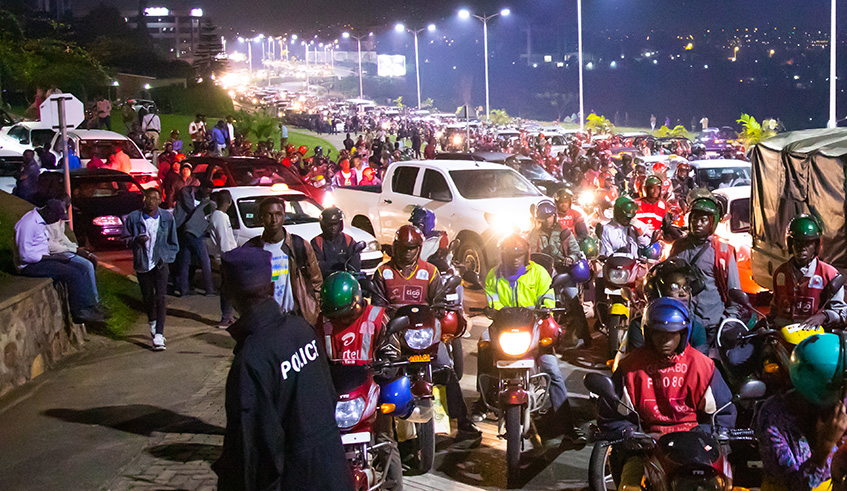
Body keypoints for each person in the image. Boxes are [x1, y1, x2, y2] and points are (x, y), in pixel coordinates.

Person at [213, 247, 353, 491]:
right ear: (271, 287)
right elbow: (329, 396)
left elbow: (251, 450)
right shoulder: (302, 331)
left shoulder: (251, 359)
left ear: (228, 291)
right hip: (334, 473)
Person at [600, 298, 736, 488]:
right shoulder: (630, 368)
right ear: (647, 333)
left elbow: (723, 411)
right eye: (658, 333)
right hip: (646, 446)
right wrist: (630, 433)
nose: (664, 340)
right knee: (629, 487)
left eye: (671, 334)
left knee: (723, 484)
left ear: (683, 334)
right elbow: (611, 414)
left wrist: (710, 432)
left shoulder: (702, 366)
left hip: (695, 447)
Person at [472, 234, 586, 445]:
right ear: (503, 255)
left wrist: (547, 307)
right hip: (504, 328)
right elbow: (492, 300)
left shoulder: (539, 273)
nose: (515, 259)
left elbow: (548, 296)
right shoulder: (494, 275)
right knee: (483, 344)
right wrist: (491, 311)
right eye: (510, 255)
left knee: (552, 370)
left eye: (519, 255)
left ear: (526, 255)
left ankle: (568, 426)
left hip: (534, 327)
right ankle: (483, 398)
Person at [372, 225, 481, 441]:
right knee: (381, 374)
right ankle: (381, 434)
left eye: (412, 248)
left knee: (446, 369)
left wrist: (440, 306)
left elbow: (438, 299)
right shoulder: (382, 272)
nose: (407, 252)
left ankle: (463, 422)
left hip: (423, 335)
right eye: (403, 248)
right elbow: (376, 306)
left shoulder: (430, 272)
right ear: (395, 247)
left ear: (419, 248)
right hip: (394, 336)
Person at [754, 332, 847, 491]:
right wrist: (825, 446)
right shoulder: (773, 418)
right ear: (824, 388)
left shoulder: (839, 404)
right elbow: (795, 487)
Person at [669, 191, 741, 349]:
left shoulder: (723, 251)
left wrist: (728, 322)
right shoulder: (679, 246)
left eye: (703, 220)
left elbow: (734, 291)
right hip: (681, 322)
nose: (697, 223)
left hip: (711, 324)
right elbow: (667, 276)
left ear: (712, 222)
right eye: (694, 219)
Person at [15, 199, 103, 324]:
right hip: (30, 265)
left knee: (82, 268)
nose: (57, 221)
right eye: (56, 217)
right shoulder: (28, 224)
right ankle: (79, 311)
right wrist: (54, 258)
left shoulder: (41, 221)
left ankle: (90, 307)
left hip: (43, 259)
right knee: (73, 274)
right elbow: (26, 256)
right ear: (49, 212)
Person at [243, 197, 323, 325]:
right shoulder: (252, 249)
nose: (274, 220)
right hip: (266, 319)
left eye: (278, 214)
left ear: (284, 216)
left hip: (295, 317)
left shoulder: (299, 245)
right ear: (261, 217)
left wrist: (314, 310)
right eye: (269, 215)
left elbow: (316, 281)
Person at [122, 188, 179, 350]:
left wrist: (167, 257)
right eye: (148, 198)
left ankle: (159, 334)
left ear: (160, 200)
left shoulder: (167, 218)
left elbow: (173, 242)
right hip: (143, 263)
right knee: (148, 297)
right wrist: (135, 240)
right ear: (143, 200)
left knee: (161, 297)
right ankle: (152, 322)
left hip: (161, 263)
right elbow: (124, 238)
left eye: (154, 198)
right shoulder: (134, 217)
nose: (151, 201)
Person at [769, 214, 847, 329]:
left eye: (808, 243)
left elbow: (842, 313)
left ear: (816, 245)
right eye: (798, 242)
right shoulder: (781, 273)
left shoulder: (829, 275)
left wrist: (823, 316)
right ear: (791, 244)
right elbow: (774, 309)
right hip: (784, 337)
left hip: (815, 339)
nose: (802, 247)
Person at [626, 258, 709, 354]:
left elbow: (700, 365)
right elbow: (635, 364)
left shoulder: (696, 328)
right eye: (674, 287)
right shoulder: (638, 326)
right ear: (657, 292)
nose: (682, 293)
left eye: (686, 288)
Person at [47, 194, 99, 303]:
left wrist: (76, 248)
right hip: (55, 254)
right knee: (86, 266)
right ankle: (92, 302)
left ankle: (93, 299)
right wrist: (74, 250)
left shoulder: (59, 219)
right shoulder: (49, 221)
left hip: (64, 250)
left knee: (91, 260)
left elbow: (63, 237)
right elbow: (51, 246)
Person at [173, 179, 216, 297]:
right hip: (189, 231)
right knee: (205, 261)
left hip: (187, 230)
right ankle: (209, 290)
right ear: (200, 188)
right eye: (207, 192)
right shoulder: (208, 204)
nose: (208, 195)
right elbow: (209, 219)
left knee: (185, 261)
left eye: (210, 193)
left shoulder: (205, 202)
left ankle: (183, 289)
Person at [210, 190, 238, 328]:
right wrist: (229, 257)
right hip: (226, 258)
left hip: (226, 257)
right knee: (227, 288)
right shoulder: (220, 217)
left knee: (229, 287)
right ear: (229, 202)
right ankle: (226, 318)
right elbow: (224, 240)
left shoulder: (219, 216)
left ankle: (229, 316)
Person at [310, 207, 361, 279]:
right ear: (323, 225)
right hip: (325, 282)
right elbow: (317, 266)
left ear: (340, 224)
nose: (333, 228)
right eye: (330, 225)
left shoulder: (348, 240)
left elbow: (355, 265)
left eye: (335, 224)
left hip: (346, 280)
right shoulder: (317, 242)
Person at [635, 175, 681, 241]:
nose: (656, 191)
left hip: (656, 241)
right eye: (652, 188)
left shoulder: (662, 205)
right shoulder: (636, 203)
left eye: (658, 188)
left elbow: (667, 226)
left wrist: (679, 237)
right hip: (638, 239)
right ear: (646, 189)